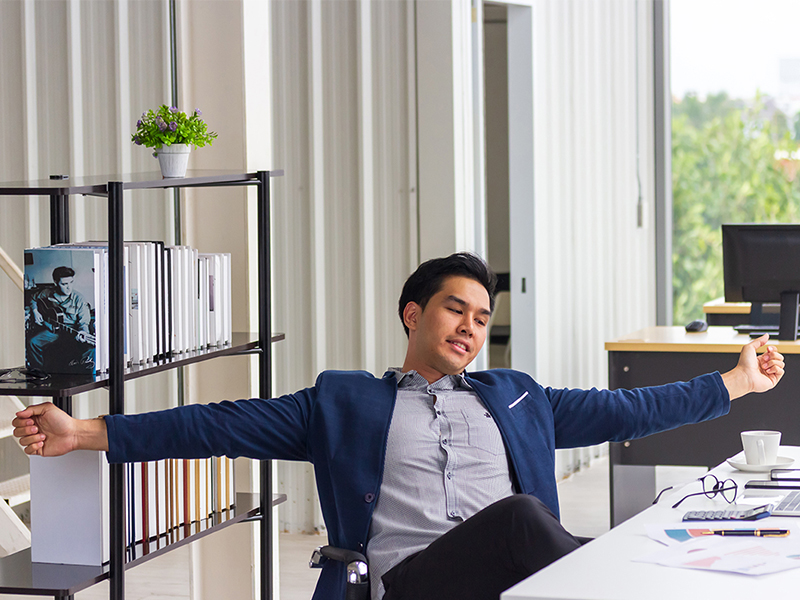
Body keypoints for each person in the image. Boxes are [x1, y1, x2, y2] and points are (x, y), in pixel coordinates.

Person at [13, 253, 785, 600]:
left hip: (520, 579)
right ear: (414, 314)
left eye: (483, 318)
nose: (471, 327)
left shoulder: (516, 396)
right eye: (456, 308)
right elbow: (220, 424)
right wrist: (84, 434)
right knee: (524, 520)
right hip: (417, 583)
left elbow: (630, 410)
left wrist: (738, 382)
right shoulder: (344, 402)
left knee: (657, 514)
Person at [26, 266, 94, 372]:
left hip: (71, 331)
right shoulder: (48, 292)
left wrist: (83, 332)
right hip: (53, 329)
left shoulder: (79, 299)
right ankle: (38, 371)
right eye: (64, 284)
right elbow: (33, 298)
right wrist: (35, 311)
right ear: (56, 282)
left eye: (71, 282)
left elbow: (84, 322)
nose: (69, 287)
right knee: (32, 342)